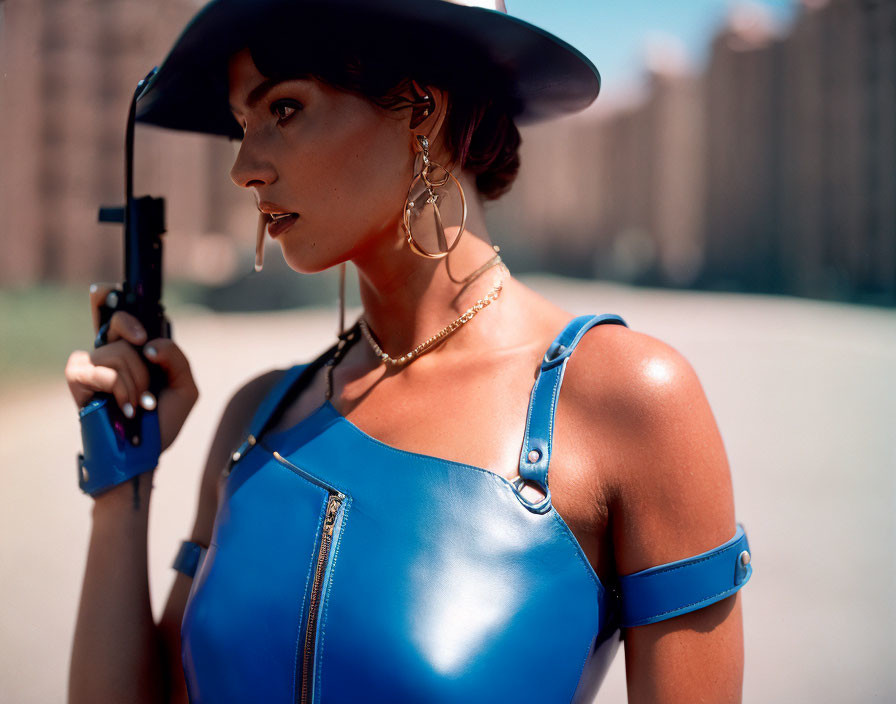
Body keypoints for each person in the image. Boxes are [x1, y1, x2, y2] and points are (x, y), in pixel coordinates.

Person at [65, 1, 752, 702]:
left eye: (285, 109)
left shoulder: (628, 401)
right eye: (243, 125)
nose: (244, 167)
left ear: (422, 108)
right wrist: (122, 488)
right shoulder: (255, 420)